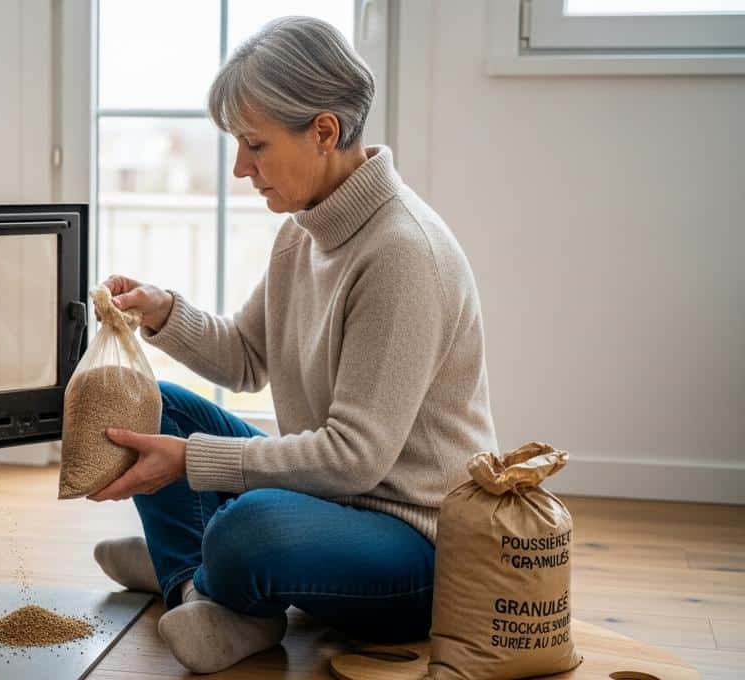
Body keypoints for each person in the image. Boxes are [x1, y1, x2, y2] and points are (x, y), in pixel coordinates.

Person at [84, 15, 499, 675]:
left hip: (418, 551)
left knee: (251, 528)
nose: (242, 167)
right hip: (333, 505)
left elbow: (354, 458)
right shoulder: (303, 233)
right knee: (149, 405)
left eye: (255, 144)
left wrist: (192, 462)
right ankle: (200, 575)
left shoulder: (401, 254)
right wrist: (163, 313)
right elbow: (248, 358)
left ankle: (197, 565)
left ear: (325, 131)